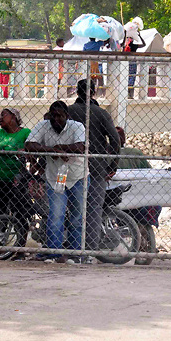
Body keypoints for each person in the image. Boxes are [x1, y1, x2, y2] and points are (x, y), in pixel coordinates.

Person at [25, 101, 87, 263]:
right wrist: (51, 150)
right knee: (55, 215)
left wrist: (60, 147)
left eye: (60, 116)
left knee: (77, 216)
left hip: (77, 177)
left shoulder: (77, 126)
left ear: (67, 116)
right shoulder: (43, 125)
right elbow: (29, 144)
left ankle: (75, 254)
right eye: (53, 116)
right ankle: (54, 252)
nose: (56, 120)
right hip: (54, 178)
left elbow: (81, 147)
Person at [68, 79, 120, 259]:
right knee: (94, 207)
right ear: (94, 92)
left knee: (70, 204)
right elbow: (115, 141)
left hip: (71, 164)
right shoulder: (101, 113)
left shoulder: (68, 111)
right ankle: (88, 250)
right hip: (97, 165)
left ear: (76, 91)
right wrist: (112, 165)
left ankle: (68, 246)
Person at [114, 127, 161, 265]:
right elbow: (150, 174)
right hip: (140, 197)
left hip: (119, 198)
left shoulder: (108, 153)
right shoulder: (135, 153)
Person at [0, 108, 32, 258]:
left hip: (17, 179)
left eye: (3, 115)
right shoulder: (0, 133)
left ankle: (20, 249)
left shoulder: (25, 133)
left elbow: (31, 149)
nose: (0, 118)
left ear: (13, 117)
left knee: (19, 212)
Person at [122, 30, 146, 99]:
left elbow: (122, 44)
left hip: (125, 64)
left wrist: (125, 35)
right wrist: (139, 36)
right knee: (132, 78)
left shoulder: (124, 47)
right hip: (133, 63)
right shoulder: (134, 46)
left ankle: (125, 94)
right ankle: (130, 94)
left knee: (125, 78)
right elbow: (144, 44)